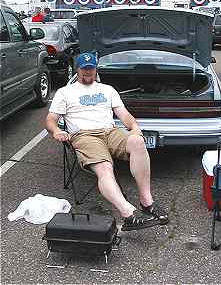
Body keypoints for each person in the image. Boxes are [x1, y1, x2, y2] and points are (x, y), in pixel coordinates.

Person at [45, 52, 168, 231]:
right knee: (104, 168)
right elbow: (50, 119)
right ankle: (128, 215)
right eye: (84, 69)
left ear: (96, 69)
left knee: (138, 142)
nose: (88, 72)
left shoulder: (108, 90)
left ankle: (146, 202)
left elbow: (124, 115)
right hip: (84, 135)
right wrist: (56, 131)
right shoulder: (65, 92)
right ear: (77, 69)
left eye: (91, 68)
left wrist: (134, 128)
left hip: (110, 132)